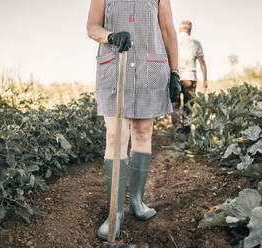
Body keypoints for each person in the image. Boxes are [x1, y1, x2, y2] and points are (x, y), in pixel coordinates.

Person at [86, 0, 180, 241]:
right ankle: (115, 212)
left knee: (142, 132)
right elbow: (92, 27)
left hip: (150, 68)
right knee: (115, 135)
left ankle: (137, 201)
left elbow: (168, 31)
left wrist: (175, 72)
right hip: (114, 68)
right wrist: (111, 36)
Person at [171, 20, 207, 133]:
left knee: (174, 105)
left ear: (179, 29)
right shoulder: (195, 43)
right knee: (188, 105)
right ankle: (186, 128)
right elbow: (202, 63)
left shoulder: (173, 41)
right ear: (190, 30)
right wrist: (205, 80)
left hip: (175, 75)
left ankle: (178, 126)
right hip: (189, 77)